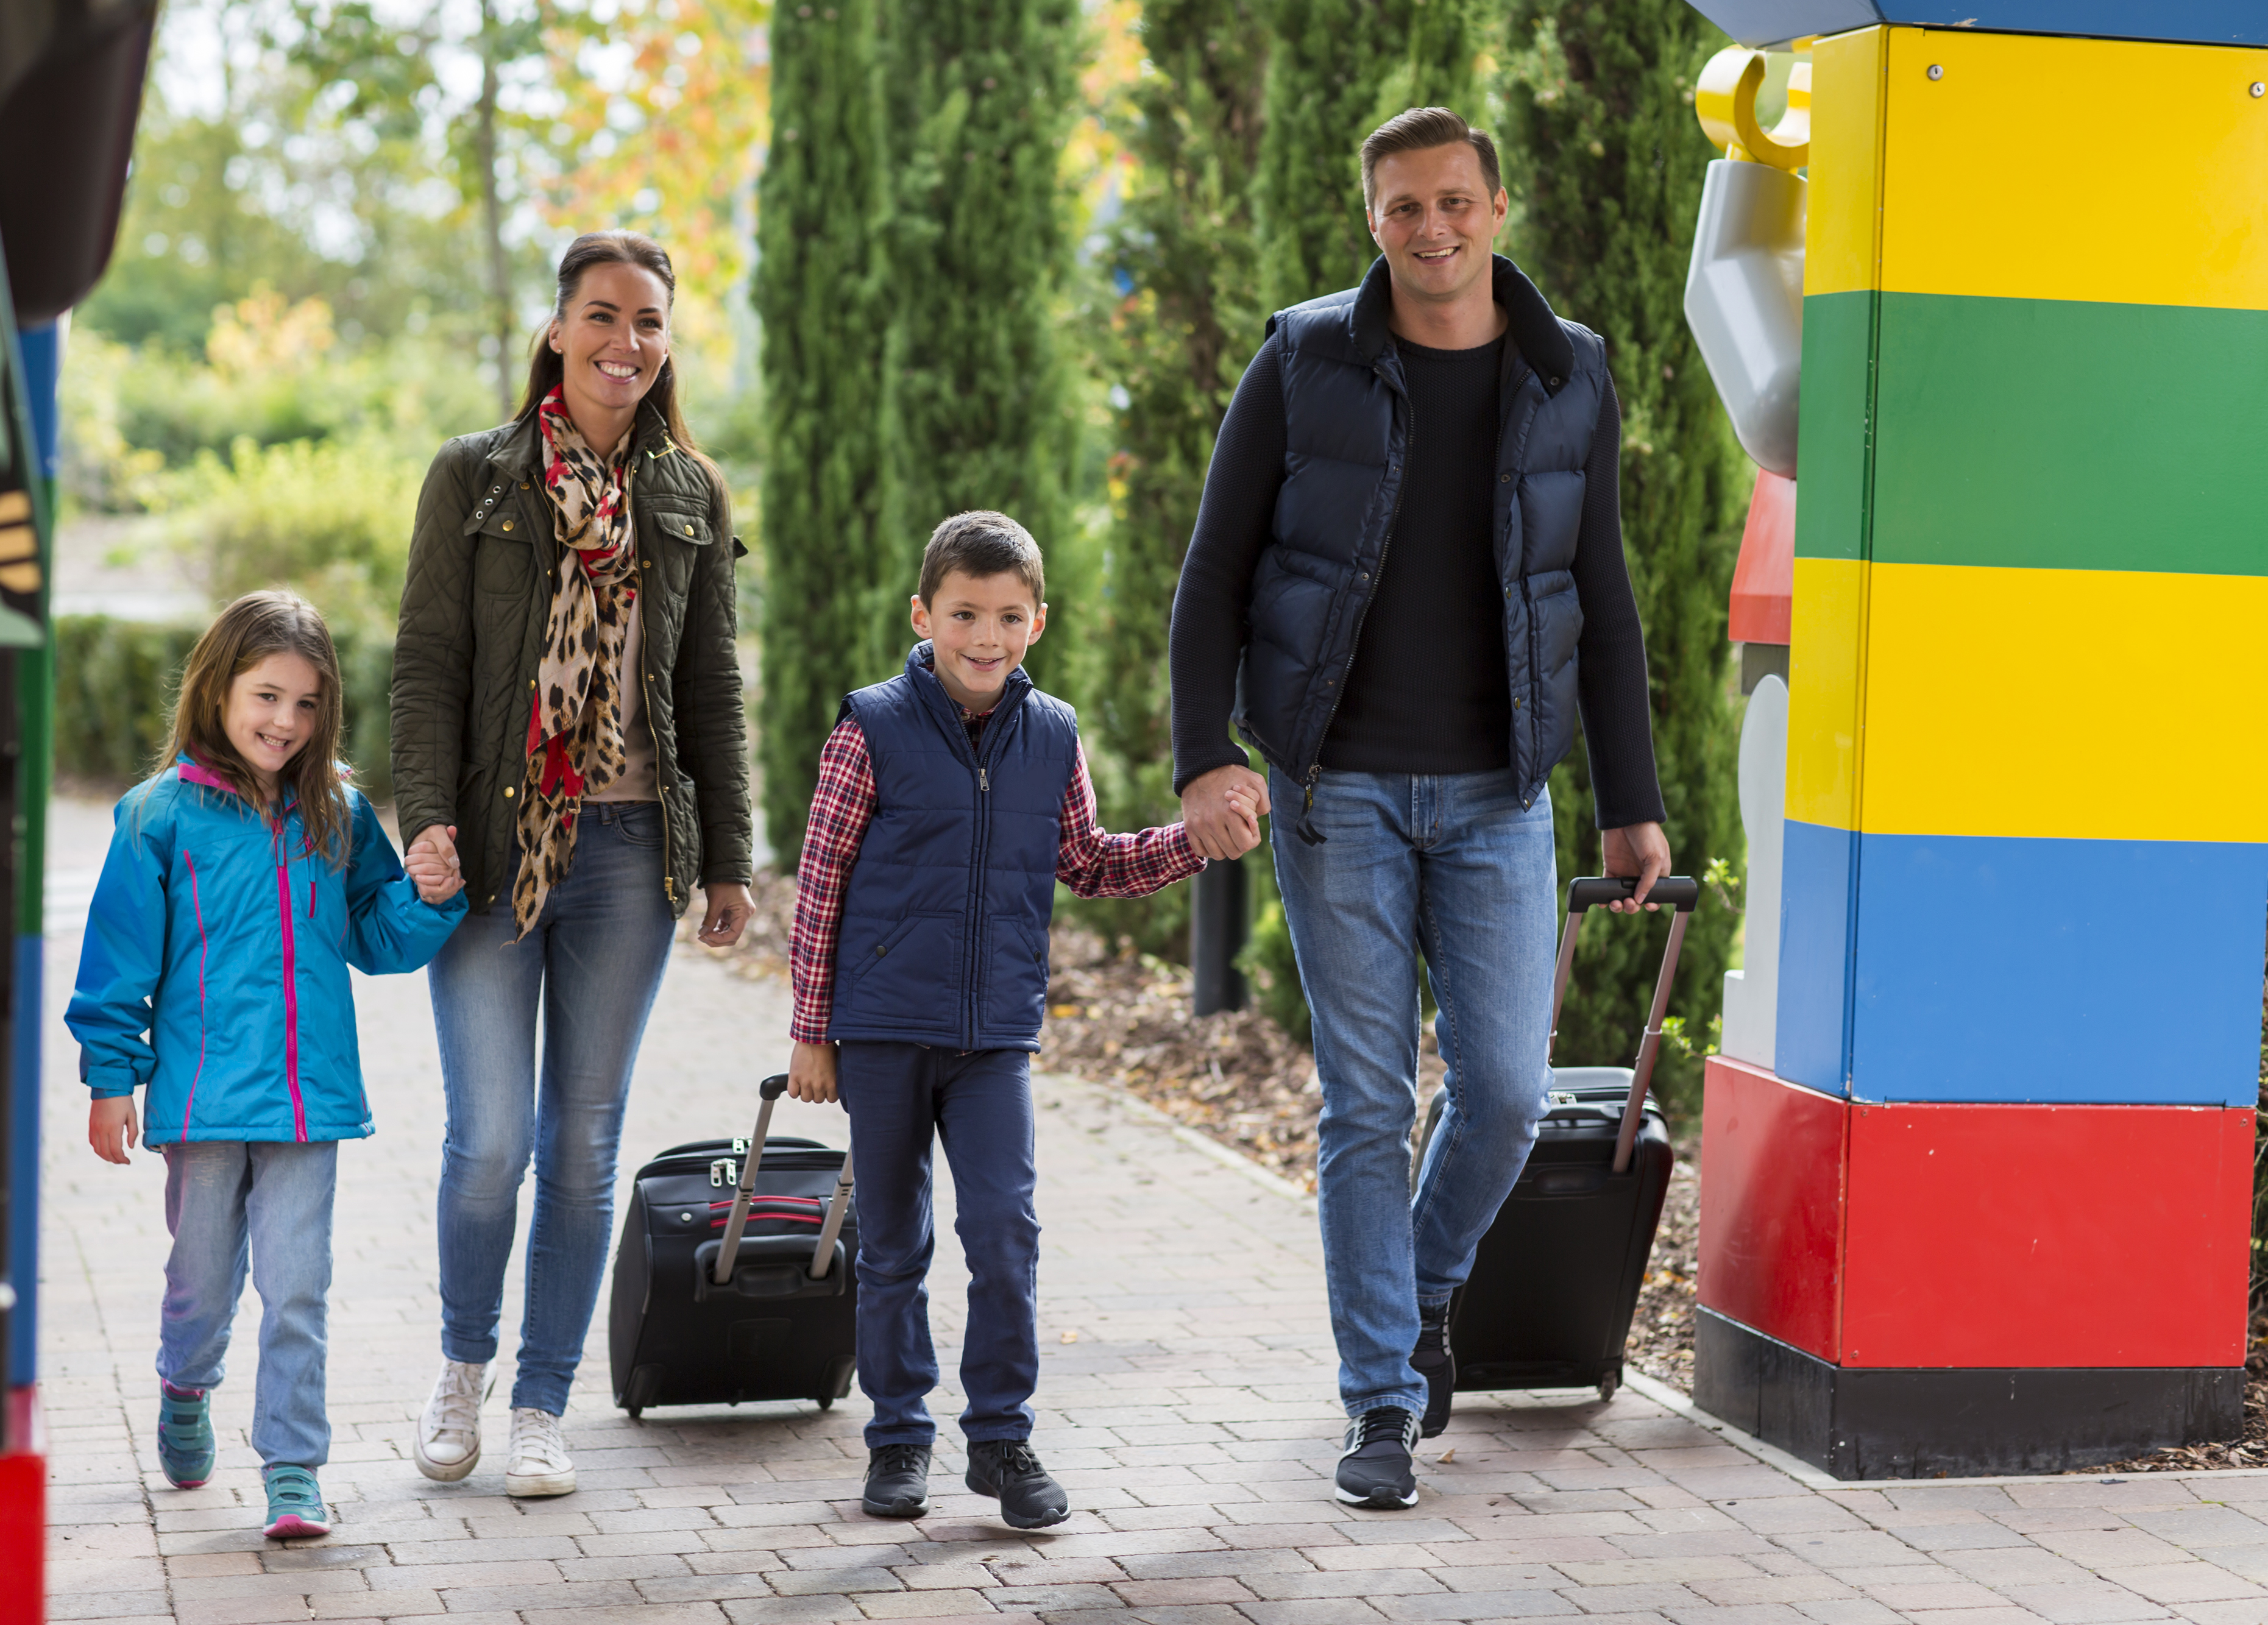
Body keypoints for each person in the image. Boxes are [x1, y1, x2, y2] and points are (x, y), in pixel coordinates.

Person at [1166, 108, 1673, 1509]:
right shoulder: (1303, 357)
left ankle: (1426, 1282)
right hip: (1335, 786)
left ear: (1498, 207)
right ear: (1369, 215)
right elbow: (1210, 575)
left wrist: (1629, 801)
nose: (1430, 229)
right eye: (1403, 207)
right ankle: (1379, 1398)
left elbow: (1607, 603)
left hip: (1501, 791)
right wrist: (1203, 755)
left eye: (1454, 201)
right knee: (1365, 1101)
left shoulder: (1571, 375)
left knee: (1505, 1090)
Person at [389, 230, 755, 1496]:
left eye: (649, 321)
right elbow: (428, 660)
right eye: (602, 315)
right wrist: (422, 816)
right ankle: (460, 1366)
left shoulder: (691, 494)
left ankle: (543, 1399)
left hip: (631, 848)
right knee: (489, 1138)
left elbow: (710, 683)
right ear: (556, 330)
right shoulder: (473, 477)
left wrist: (729, 856)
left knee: (584, 1143)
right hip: (491, 848)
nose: (626, 342)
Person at [785, 512, 1236, 1530]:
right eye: (964, 615)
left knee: (1005, 1230)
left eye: (1006, 617)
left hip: (996, 1042)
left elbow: (1091, 862)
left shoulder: (1054, 734)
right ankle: (899, 1438)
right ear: (924, 616)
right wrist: (813, 1028)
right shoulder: (870, 726)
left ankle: (1002, 1439)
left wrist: (1193, 842)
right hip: (886, 1030)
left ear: (1038, 622)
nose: (984, 637)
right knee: (895, 1243)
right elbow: (820, 884)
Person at [66, 589, 467, 1540]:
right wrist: (111, 1079)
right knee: (201, 1283)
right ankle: (184, 1385)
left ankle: (294, 1467)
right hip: (200, 1102)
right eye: (266, 695)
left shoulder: (338, 812)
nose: (285, 721)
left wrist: (431, 897)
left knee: (297, 1287)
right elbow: (117, 962)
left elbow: (376, 935)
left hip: (309, 1102)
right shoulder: (155, 818)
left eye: (306, 704)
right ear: (218, 689)